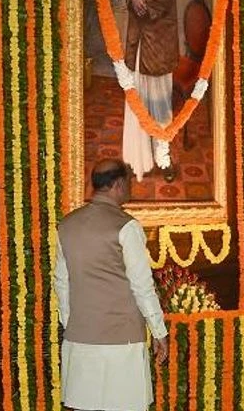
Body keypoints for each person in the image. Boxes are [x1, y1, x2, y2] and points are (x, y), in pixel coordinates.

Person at [54, 159, 169, 411]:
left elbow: (62, 283)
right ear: (118, 184)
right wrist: (159, 332)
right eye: (128, 183)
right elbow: (142, 287)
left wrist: (73, 322)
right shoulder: (126, 226)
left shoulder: (66, 225)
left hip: (80, 338)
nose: (130, 189)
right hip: (122, 342)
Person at [122, 0, 179, 182]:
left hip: (160, 32)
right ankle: (136, 160)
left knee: (160, 99)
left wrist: (146, 2)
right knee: (137, 96)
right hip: (138, 31)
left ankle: (163, 158)